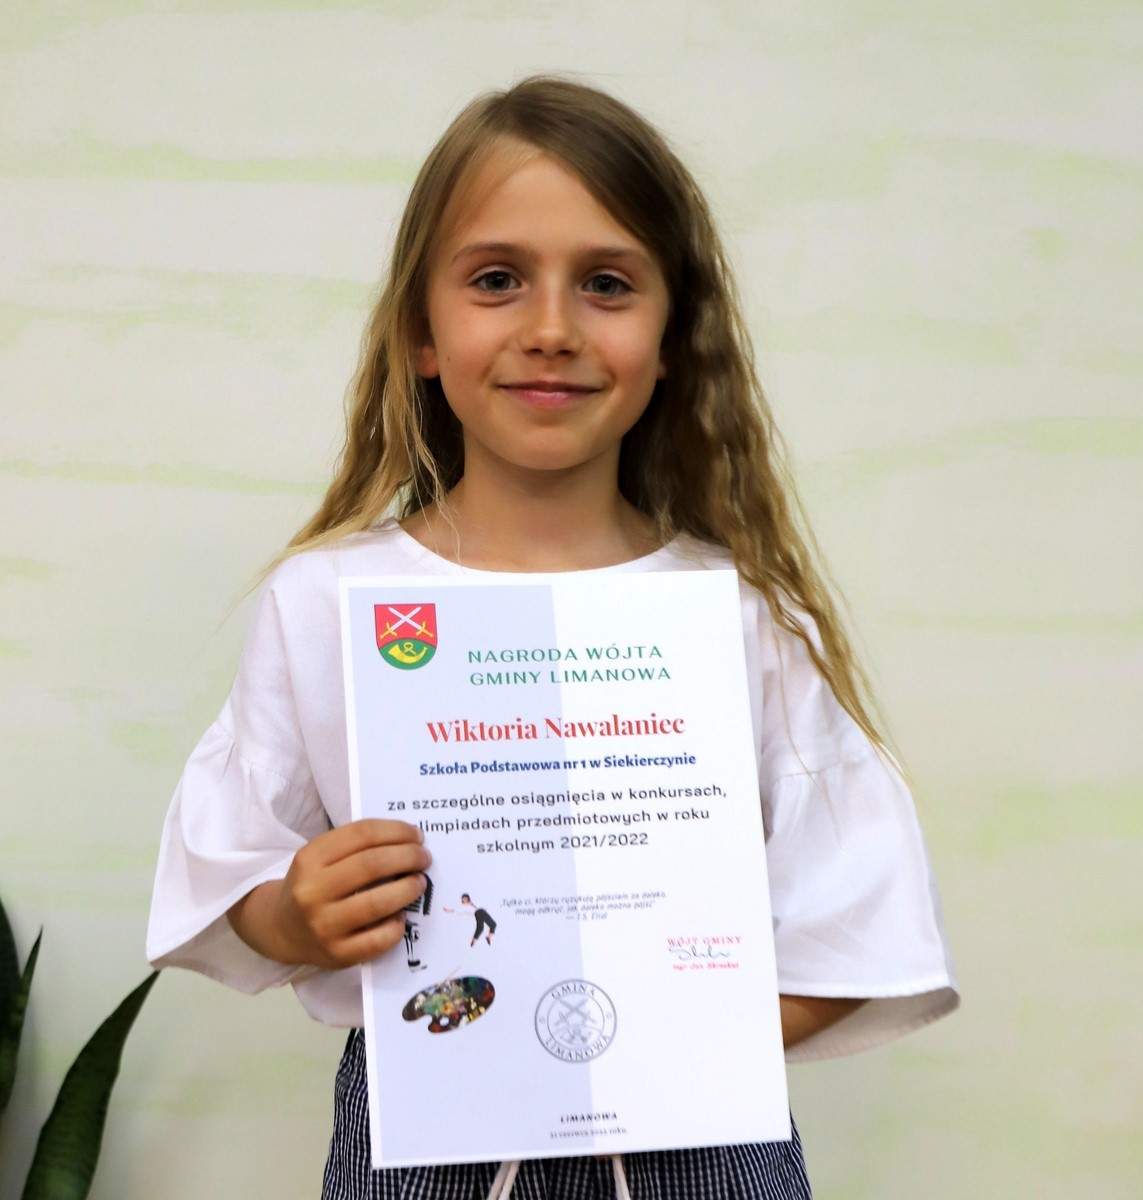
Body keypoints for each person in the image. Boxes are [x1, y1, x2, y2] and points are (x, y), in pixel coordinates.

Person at [147, 76, 958, 1200]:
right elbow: (232, 867)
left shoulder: (745, 617)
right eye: (496, 279)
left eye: (607, 284)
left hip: (702, 1135)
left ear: (674, 337)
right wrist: (296, 913)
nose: (550, 330)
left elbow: (858, 927)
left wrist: (659, 1038)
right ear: (422, 332)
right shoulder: (327, 601)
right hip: (419, 1137)